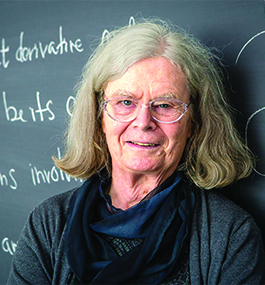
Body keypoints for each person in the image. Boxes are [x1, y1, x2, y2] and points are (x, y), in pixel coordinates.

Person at [7, 19, 265, 285]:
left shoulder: (230, 234)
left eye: (164, 105)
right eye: (126, 102)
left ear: (193, 123)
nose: (143, 122)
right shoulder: (49, 224)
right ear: (100, 117)